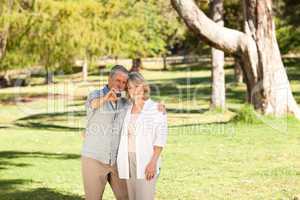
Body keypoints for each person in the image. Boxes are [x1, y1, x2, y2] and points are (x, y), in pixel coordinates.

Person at [81, 65, 165, 200]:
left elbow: (140, 98)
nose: (120, 85)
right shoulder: (95, 95)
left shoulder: (126, 102)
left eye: (124, 82)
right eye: (117, 80)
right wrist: (105, 98)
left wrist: (158, 106)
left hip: (118, 161)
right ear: (109, 79)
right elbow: (93, 104)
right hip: (94, 158)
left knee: (127, 197)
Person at [117, 72, 168, 200]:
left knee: (145, 196)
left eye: (137, 86)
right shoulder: (126, 108)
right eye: (130, 87)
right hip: (127, 160)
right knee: (131, 197)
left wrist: (153, 162)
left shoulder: (155, 108)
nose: (134, 90)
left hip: (147, 159)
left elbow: (160, 139)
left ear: (144, 86)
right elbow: (115, 94)